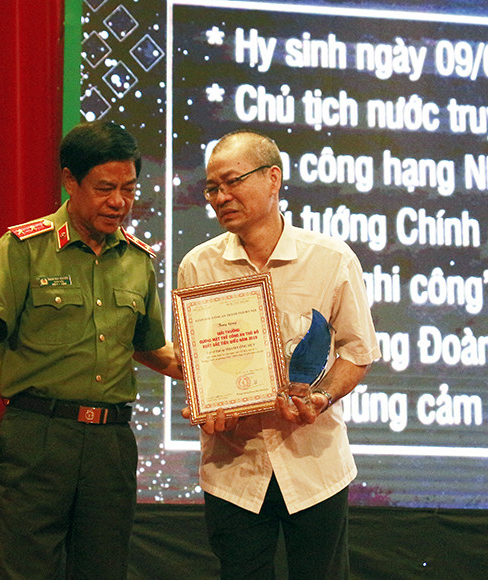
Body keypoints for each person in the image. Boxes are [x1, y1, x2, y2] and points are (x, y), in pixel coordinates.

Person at [0, 120, 181, 579]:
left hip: (111, 442)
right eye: (105, 188)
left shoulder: (137, 260)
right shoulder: (24, 247)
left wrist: (219, 372)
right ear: (70, 180)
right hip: (40, 435)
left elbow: (152, 348)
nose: (119, 202)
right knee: (27, 570)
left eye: (129, 189)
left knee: (104, 570)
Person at [177, 130, 380, 579]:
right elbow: (198, 363)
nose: (221, 197)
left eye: (232, 182)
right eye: (212, 188)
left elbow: (357, 350)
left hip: (314, 465)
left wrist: (321, 396)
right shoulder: (198, 265)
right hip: (233, 467)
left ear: (273, 178)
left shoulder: (331, 259)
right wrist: (205, 404)